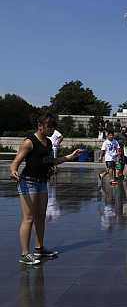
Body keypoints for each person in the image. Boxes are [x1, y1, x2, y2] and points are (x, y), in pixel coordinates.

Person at [9, 113, 82, 265]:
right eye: (49, 127)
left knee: (41, 216)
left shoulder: (48, 143)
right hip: (28, 182)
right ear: (40, 126)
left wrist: (70, 156)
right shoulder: (29, 142)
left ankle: (39, 248)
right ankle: (24, 254)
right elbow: (16, 161)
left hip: (42, 182)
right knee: (28, 218)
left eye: (54, 127)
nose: (52, 130)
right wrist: (13, 170)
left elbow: (51, 161)